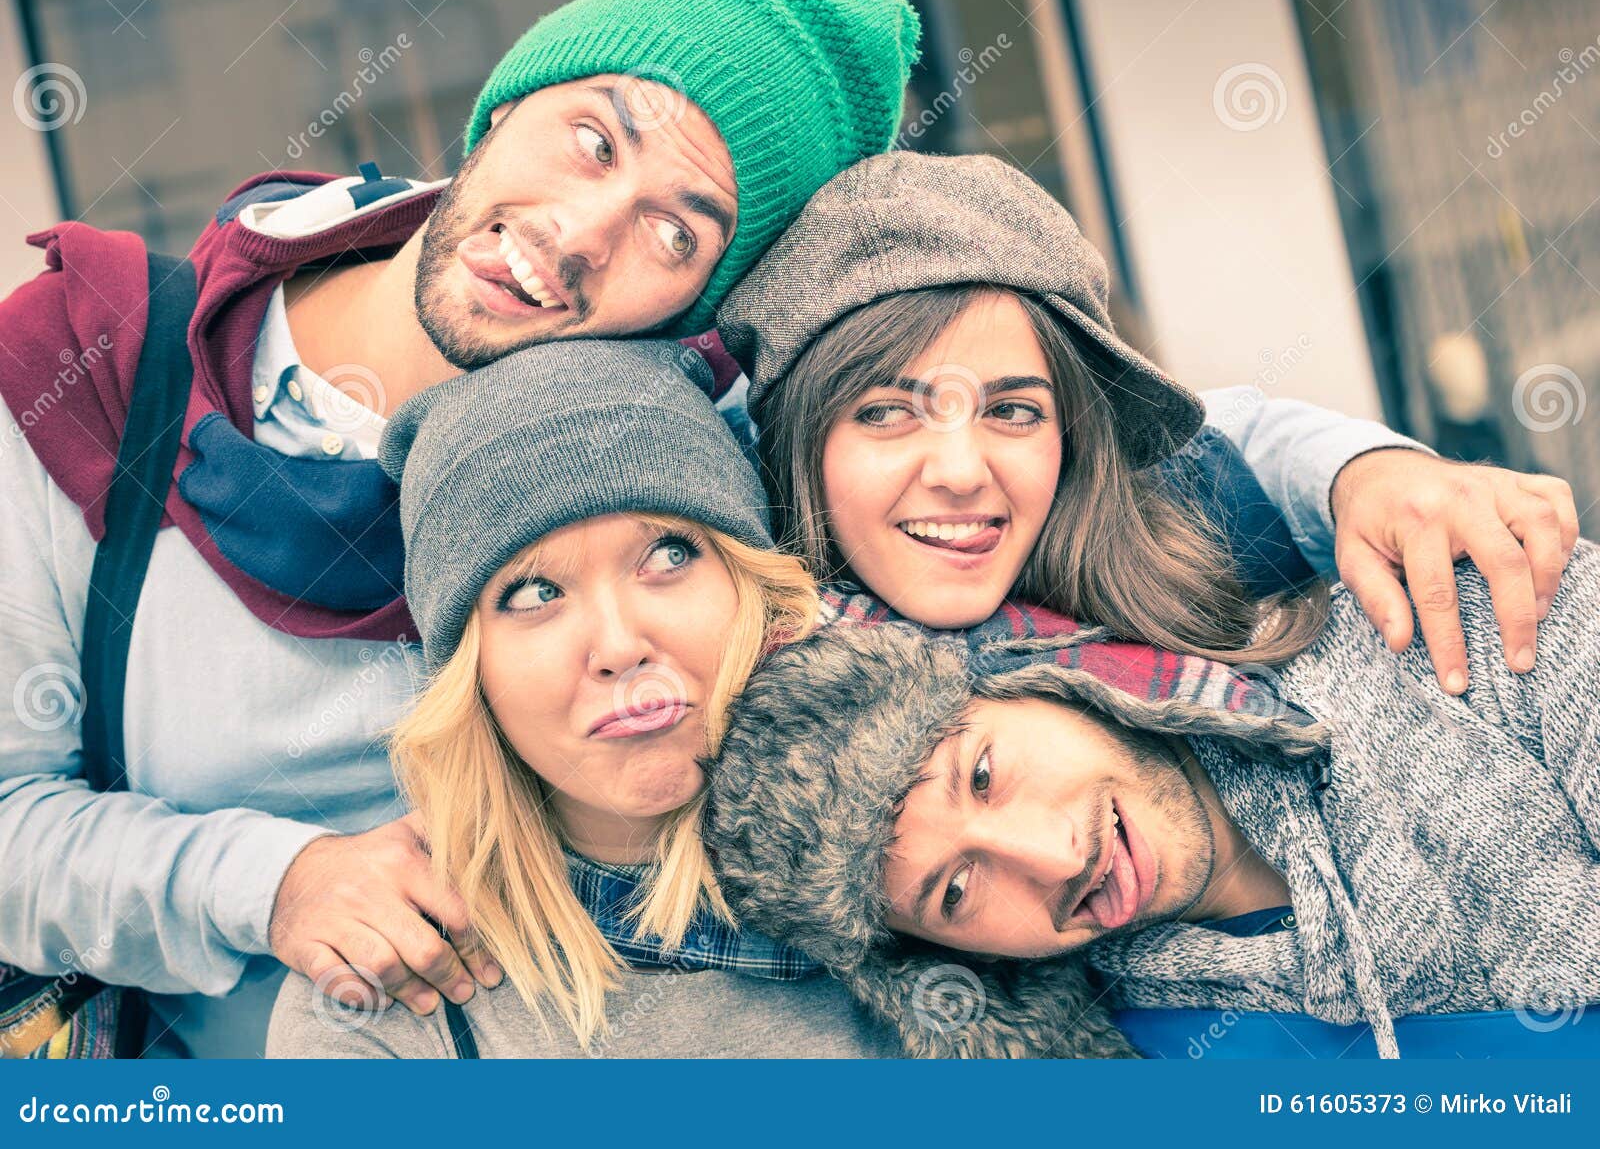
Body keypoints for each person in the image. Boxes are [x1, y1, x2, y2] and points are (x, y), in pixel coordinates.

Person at [0, 0, 921, 1057]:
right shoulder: (88, 372)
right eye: (592, 139)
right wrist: (272, 881)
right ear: (501, 108)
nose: (578, 234)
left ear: (700, 297)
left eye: (674, 231)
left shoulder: (706, 456)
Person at [703, 541, 1600, 1058]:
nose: (1057, 860)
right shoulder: (1135, 1064)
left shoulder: (1469, 628)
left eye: (982, 774)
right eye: (956, 893)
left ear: (1035, 682)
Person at [718, 152, 1579, 678]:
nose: (959, 470)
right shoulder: (716, 643)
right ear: (794, 444)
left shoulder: (1149, 547)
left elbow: (1226, 443)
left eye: (1014, 410)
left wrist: (1373, 474)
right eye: (886, 413)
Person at [267, 339, 897, 1057]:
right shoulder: (387, 992)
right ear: (470, 679)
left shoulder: (941, 861)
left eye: (668, 555)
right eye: (535, 593)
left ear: (755, 589)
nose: (620, 645)